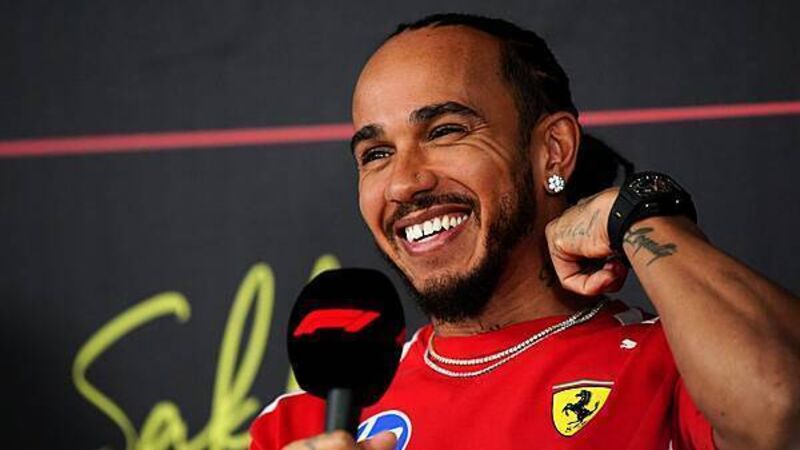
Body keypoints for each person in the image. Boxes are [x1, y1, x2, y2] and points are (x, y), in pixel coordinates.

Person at [250, 13, 800, 450]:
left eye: (445, 131)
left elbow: (780, 408)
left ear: (552, 150)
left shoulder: (674, 365)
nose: (403, 183)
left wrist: (637, 211)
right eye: (375, 153)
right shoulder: (307, 423)